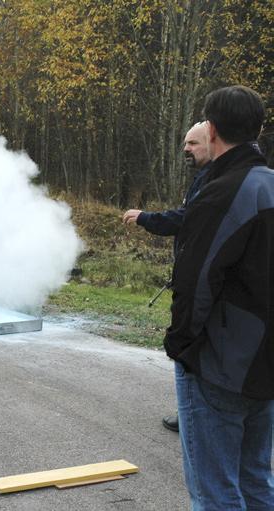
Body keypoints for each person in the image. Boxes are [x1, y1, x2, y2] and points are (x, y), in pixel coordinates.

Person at [165, 85, 274, 509]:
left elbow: (195, 281)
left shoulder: (221, 192)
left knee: (215, 492)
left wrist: (181, 346)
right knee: (255, 481)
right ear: (260, 129)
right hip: (265, 363)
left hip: (221, 363)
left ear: (210, 130)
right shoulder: (267, 185)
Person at [122, 122, 212, 433]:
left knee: (195, 349)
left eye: (194, 143)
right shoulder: (203, 178)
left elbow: (187, 219)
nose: (186, 149)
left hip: (205, 287)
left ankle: (194, 415)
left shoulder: (215, 180)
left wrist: (146, 218)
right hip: (195, 280)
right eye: (185, 143)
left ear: (213, 142)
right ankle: (192, 412)